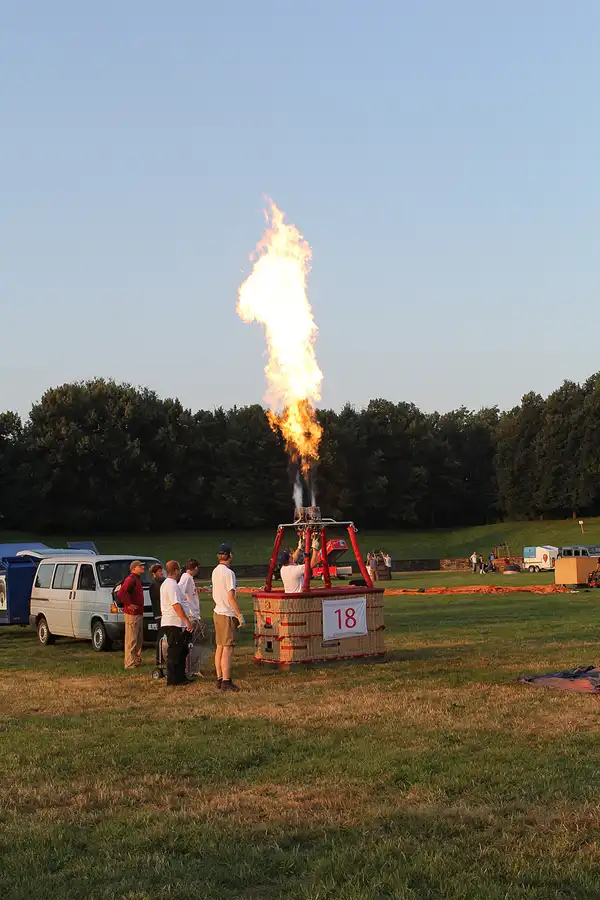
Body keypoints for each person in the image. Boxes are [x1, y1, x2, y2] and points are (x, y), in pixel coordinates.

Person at [212, 543, 245, 692]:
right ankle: (226, 681)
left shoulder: (215, 571)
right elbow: (231, 596)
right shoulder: (229, 573)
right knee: (228, 649)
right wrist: (239, 615)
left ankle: (219, 678)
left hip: (217, 612)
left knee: (219, 646)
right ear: (230, 555)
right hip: (226, 613)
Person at [160, 559, 193, 686]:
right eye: (179, 569)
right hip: (173, 622)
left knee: (182, 649)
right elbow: (176, 605)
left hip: (175, 622)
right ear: (175, 571)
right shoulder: (171, 585)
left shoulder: (169, 584)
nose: (180, 572)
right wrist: (186, 620)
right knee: (174, 651)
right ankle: (173, 679)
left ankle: (181, 676)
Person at [117, 560, 146, 670]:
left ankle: (136, 660)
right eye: (140, 566)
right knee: (131, 639)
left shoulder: (137, 579)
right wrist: (129, 604)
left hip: (138, 613)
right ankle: (129, 663)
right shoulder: (131, 579)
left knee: (138, 639)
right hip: (132, 614)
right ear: (134, 569)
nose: (142, 567)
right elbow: (121, 592)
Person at [178, 557, 203, 676]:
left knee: (194, 643)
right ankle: (189, 669)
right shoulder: (186, 578)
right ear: (195, 568)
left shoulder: (189, 578)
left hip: (195, 614)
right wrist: (188, 611)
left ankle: (192, 668)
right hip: (191, 615)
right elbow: (180, 592)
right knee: (191, 644)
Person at [149, 562, 165, 666]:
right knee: (161, 636)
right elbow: (158, 598)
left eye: (161, 571)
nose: (161, 573)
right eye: (159, 571)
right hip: (159, 613)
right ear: (154, 574)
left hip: (165, 613)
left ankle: (164, 656)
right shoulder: (154, 584)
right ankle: (159, 658)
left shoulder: (163, 581)